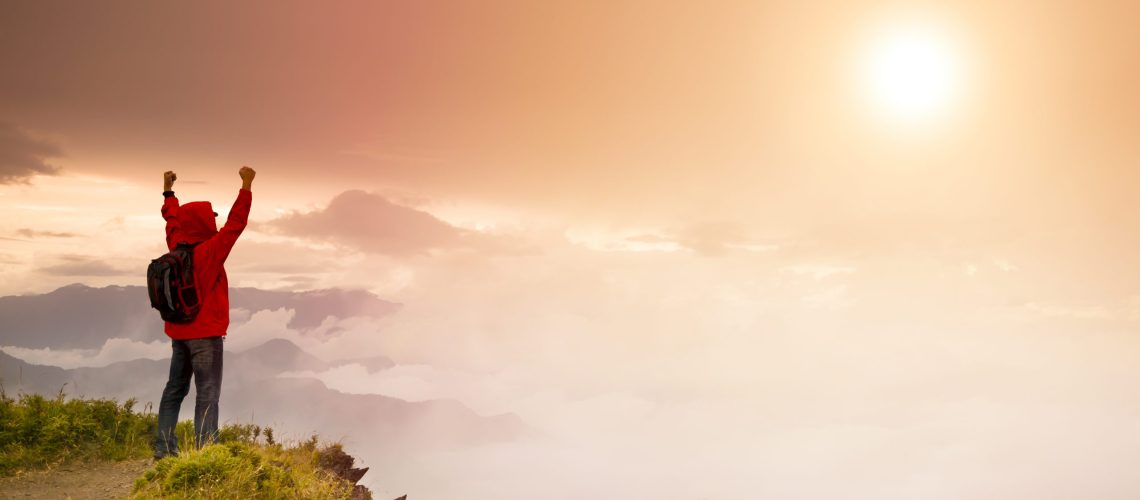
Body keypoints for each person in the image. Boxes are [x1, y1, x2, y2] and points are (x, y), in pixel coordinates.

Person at [153, 166, 255, 459]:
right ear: (203, 222)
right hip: (206, 336)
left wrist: (168, 192)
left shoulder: (175, 247)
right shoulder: (211, 251)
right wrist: (246, 186)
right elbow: (236, 223)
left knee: (175, 389)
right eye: (211, 217)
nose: (215, 221)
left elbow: (172, 220)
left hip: (178, 332)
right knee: (207, 394)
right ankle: (205, 454)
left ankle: (163, 448)